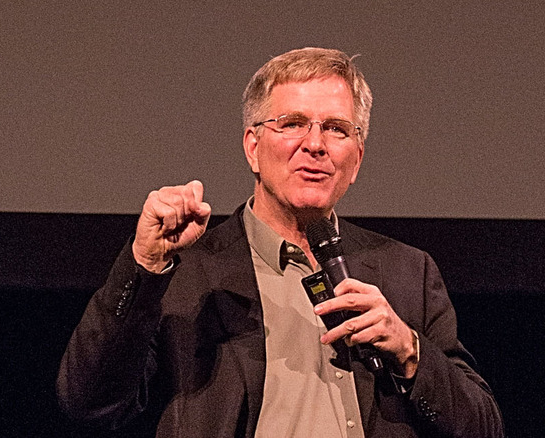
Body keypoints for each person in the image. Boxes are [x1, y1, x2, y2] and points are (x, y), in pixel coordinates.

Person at [57, 47, 504, 437]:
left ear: (357, 158)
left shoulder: (408, 272)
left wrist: (409, 350)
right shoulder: (187, 272)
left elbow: (483, 426)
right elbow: (89, 403)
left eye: (336, 128)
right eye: (292, 124)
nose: (315, 145)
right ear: (253, 147)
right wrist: (144, 263)